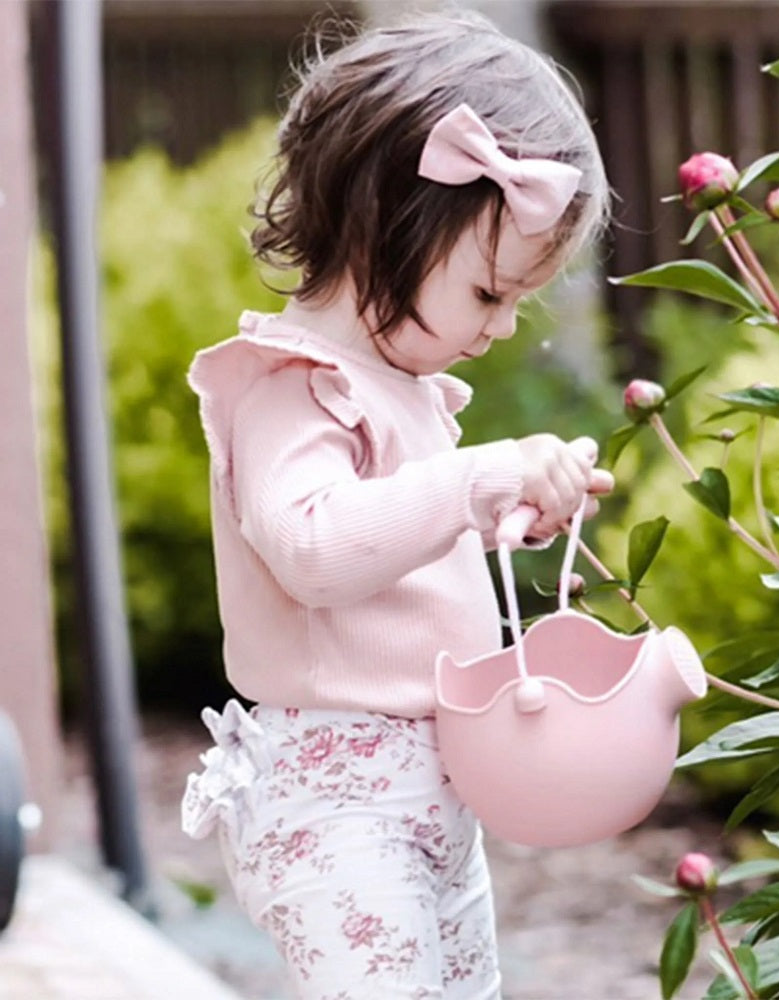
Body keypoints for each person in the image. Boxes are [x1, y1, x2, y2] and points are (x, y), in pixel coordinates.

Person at [181, 9, 613, 999]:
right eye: (488, 292)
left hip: (427, 795)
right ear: (387, 222)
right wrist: (472, 482)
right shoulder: (291, 385)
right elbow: (315, 550)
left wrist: (506, 514)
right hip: (335, 807)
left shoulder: (402, 389)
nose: (503, 327)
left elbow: (403, 556)